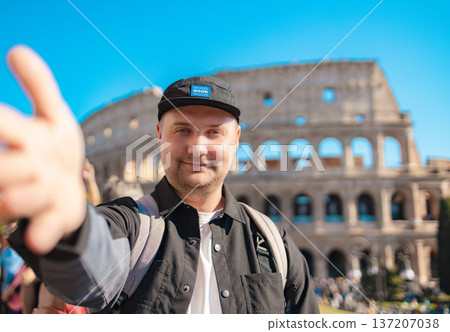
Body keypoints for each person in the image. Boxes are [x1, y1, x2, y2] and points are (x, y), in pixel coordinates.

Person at [1, 46, 319, 314]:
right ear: (159, 138)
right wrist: (72, 225)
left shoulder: (277, 246)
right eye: (182, 130)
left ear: (235, 140)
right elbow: (91, 270)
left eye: (214, 133)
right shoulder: (131, 226)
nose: (197, 147)